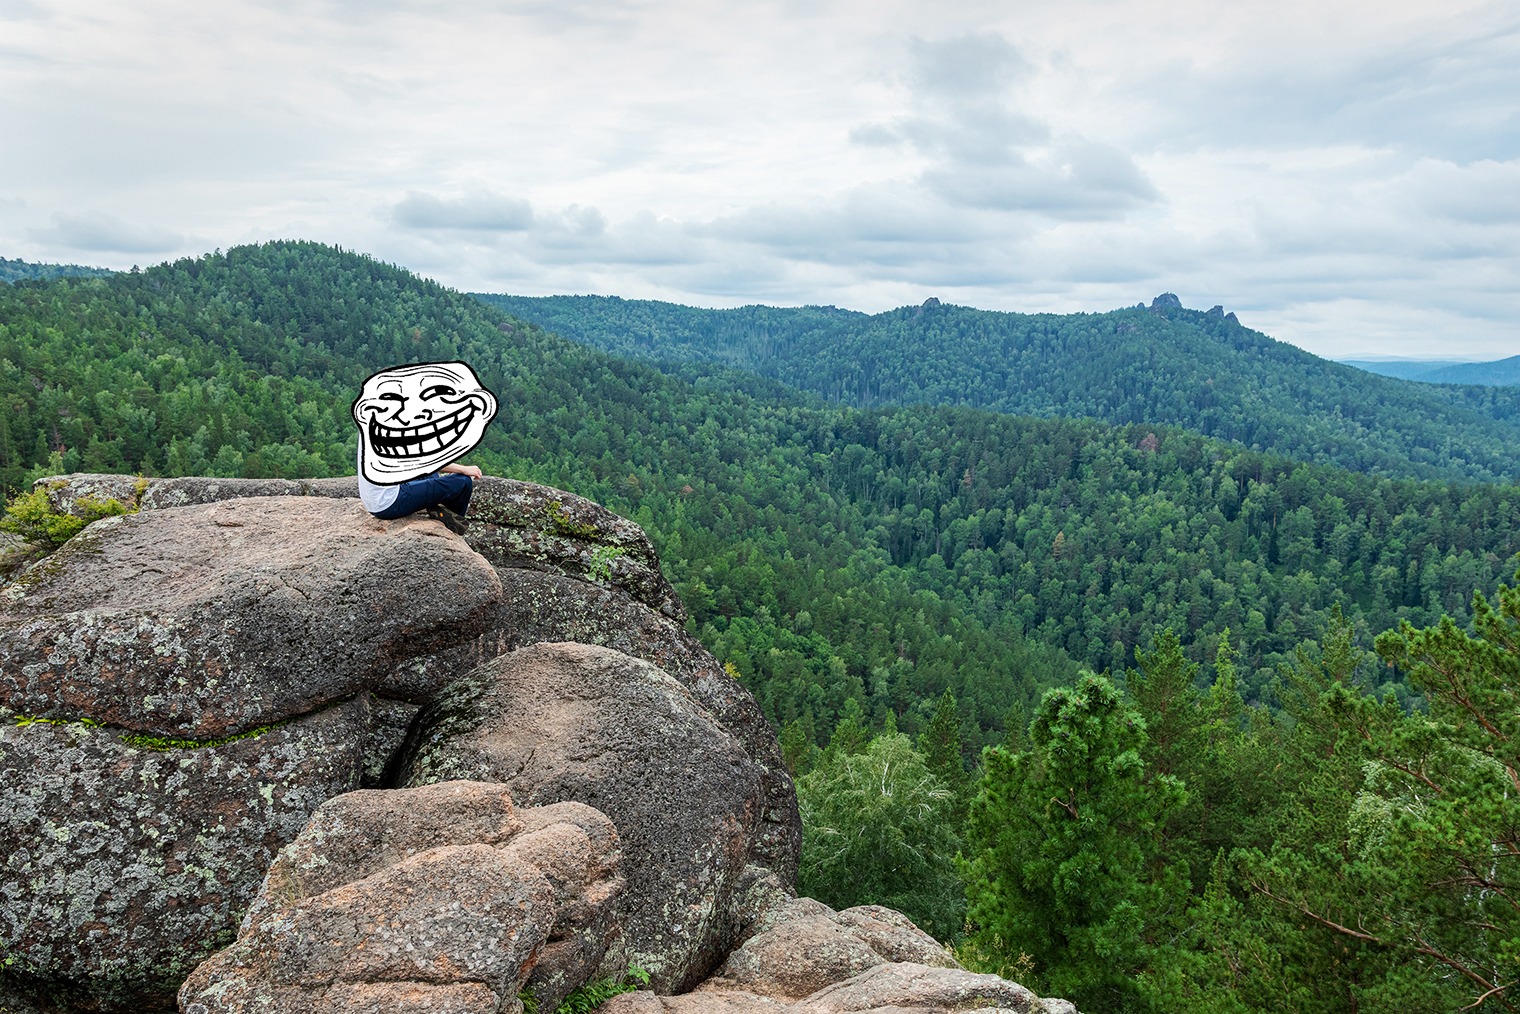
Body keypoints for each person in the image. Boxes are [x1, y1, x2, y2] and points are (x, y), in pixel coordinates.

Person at [357, 455, 481, 534]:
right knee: (463, 482)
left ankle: (441, 511)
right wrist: (461, 469)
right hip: (391, 501)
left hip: (378, 497)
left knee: (431, 475)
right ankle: (451, 521)